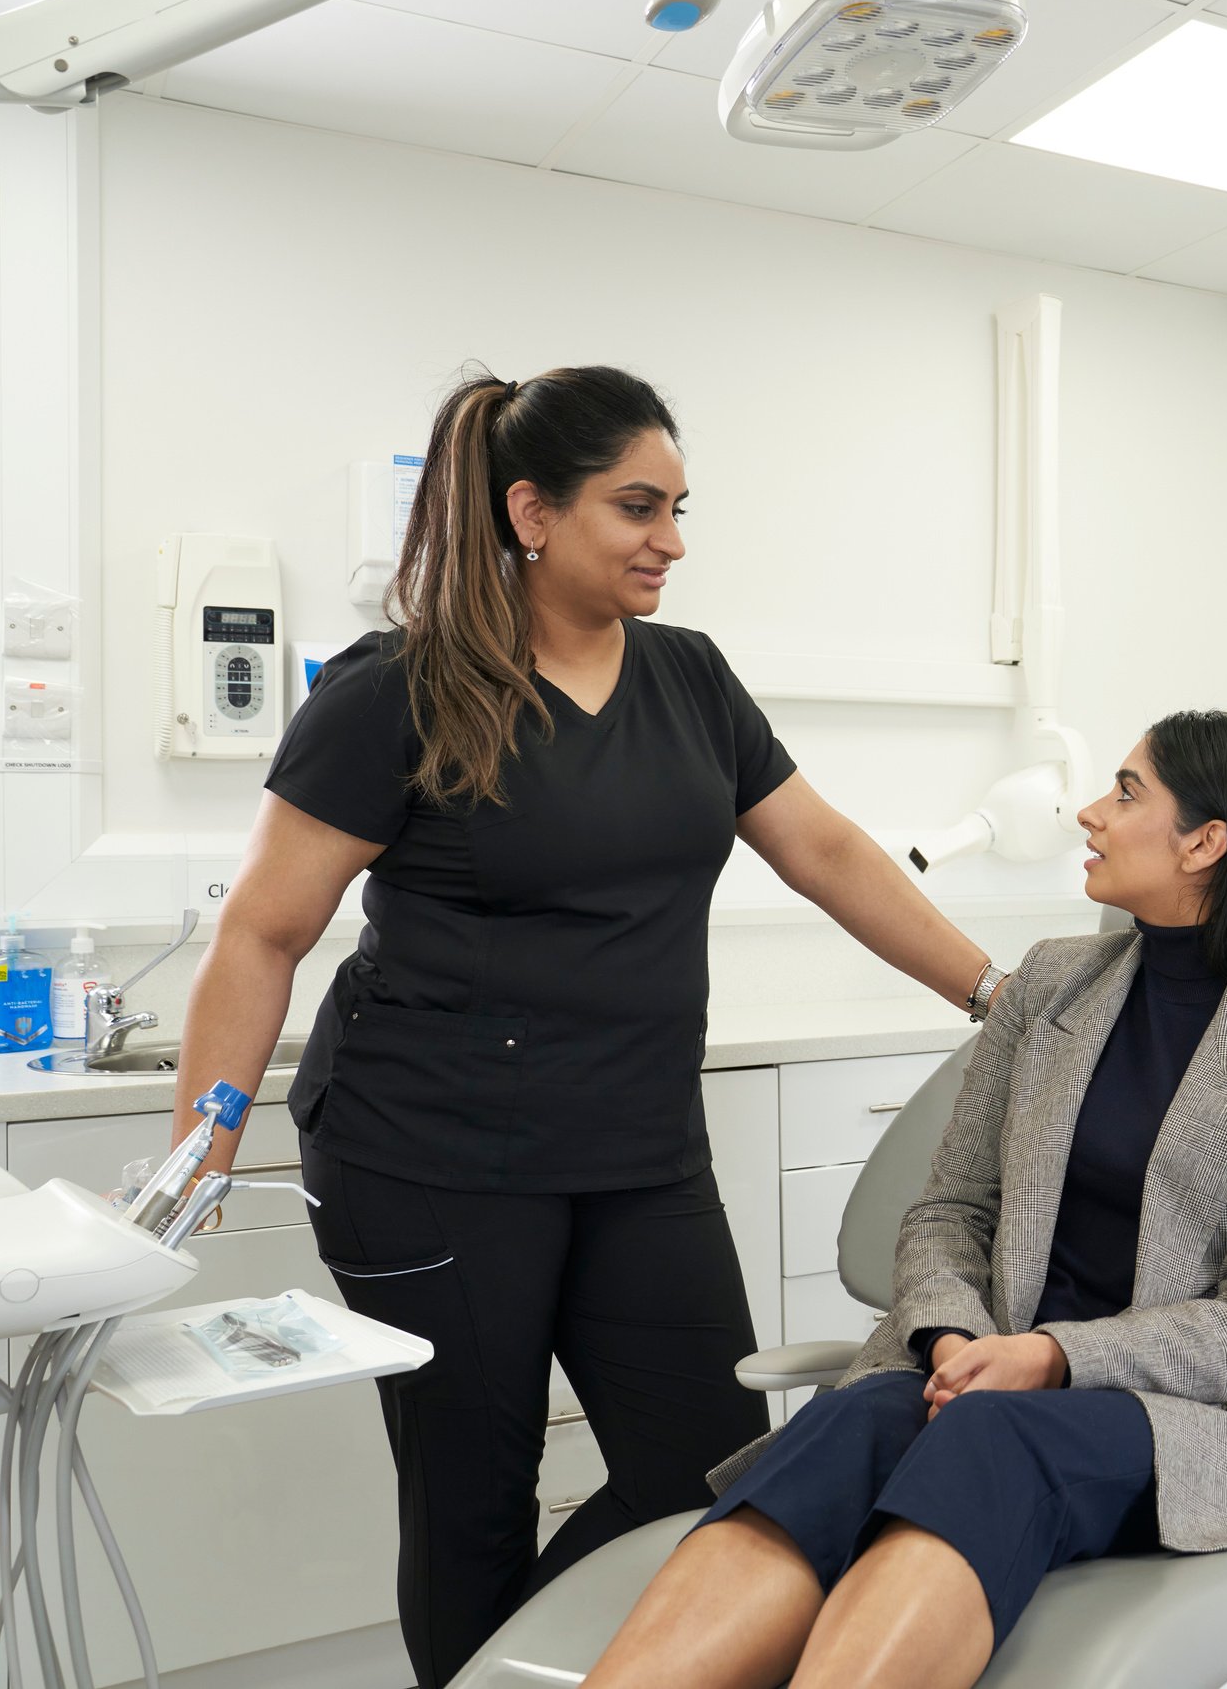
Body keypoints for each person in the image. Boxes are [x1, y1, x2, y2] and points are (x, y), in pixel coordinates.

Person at [165, 366, 1018, 1688]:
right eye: (636, 505)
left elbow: (825, 849)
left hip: (638, 1149)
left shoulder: (688, 678)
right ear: (530, 510)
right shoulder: (395, 688)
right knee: (472, 1494)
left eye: (678, 507)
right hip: (425, 1158)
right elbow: (260, 933)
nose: (669, 538)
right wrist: (202, 1146)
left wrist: (993, 992)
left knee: (713, 1470)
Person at [579, 709, 1227, 1689]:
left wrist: (1052, 1358)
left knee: (990, 1433)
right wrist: (947, 1341)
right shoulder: (1055, 982)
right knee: (849, 1420)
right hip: (980, 1382)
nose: (1091, 814)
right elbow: (950, 1210)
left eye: (1126, 791)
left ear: (1205, 841)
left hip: (1183, 1417)